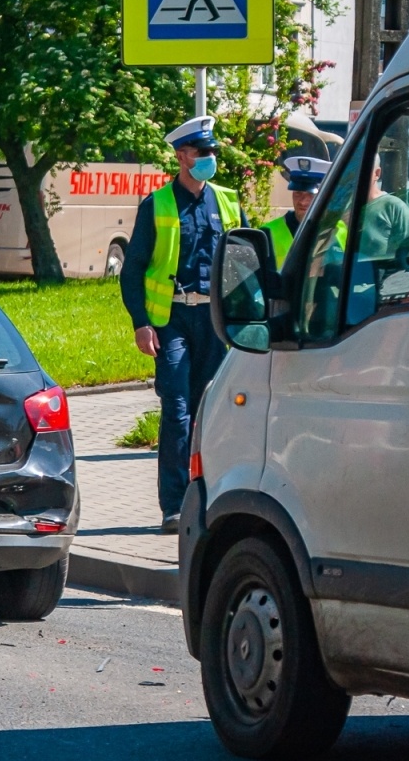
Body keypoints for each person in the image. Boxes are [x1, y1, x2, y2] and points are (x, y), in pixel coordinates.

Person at [120, 116, 249, 535]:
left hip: (214, 321)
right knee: (177, 412)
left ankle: (208, 498)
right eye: (201, 153)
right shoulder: (156, 205)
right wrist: (141, 323)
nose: (209, 159)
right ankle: (174, 506)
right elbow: (133, 268)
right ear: (181, 157)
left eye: (212, 152)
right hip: (171, 319)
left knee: (208, 413)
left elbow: (244, 263)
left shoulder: (228, 201)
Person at [261, 156, 330, 266]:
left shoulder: (342, 230)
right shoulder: (267, 233)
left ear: (325, 195)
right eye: (298, 193)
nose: (302, 202)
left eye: (311, 194)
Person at [357, 154, 409, 261]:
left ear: (377, 174)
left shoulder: (393, 208)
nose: (354, 175)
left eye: (360, 170)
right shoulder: (337, 207)